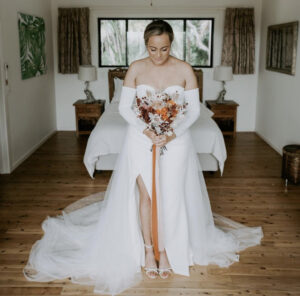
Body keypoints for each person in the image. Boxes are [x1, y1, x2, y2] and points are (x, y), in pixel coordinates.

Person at [23, 20, 263, 296]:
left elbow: (194, 111)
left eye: (164, 49)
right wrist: (148, 129)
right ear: (145, 45)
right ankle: (149, 251)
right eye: (152, 49)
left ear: (172, 44)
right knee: (146, 195)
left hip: (176, 140)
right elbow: (125, 108)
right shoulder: (136, 68)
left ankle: (168, 249)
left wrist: (171, 133)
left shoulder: (185, 69)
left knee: (171, 196)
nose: (158, 55)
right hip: (141, 139)